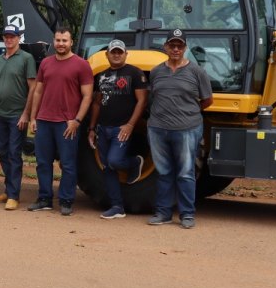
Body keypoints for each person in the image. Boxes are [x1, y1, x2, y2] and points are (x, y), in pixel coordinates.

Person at [147, 28, 213, 229]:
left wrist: (188, 113)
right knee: (163, 172)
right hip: (158, 128)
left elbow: (207, 100)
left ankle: (187, 214)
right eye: (172, 45)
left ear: (185, 48)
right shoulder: (156, 71)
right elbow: (153, 97)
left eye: (180, 45)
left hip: (187, 129)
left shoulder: (196, 72)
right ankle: (163, 213)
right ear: (166, 47)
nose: (175, 49)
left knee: (185, 173)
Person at [27, 28, 93, 215]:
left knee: (68, 163)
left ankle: (66, 200)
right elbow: (38, 91)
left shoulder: (81, 65)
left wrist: (77, 121)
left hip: (67, 123)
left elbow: (87, 96)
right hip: (44, 121)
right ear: (53, 41)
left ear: (71, 42)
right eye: (58, 40)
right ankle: (45, 198)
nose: (61, 44)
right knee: (42, 162)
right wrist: (33, 117)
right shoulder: (46, 63)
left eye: (65, 40)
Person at [87, 39, 148, 219]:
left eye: (119, 52)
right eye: (113, 52)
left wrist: (130, 125)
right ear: (107, 54)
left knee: (114, 161)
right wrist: (91, 128)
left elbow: (142, 101)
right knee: (107, 167)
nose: (116, 55)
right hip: (102, 128)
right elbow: (97, 103)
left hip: (121, 129)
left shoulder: (135, 73)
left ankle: (134, 163)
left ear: (125, 54)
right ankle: (117, 206)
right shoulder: (101, 76)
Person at [0, 24, 37, 210]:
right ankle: (8, 190)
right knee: (4, 153)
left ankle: (14, 195)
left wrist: (26, 113)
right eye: (6, 36)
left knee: (15, 154)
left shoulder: (26, 58)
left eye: (12, 36)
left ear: (18, 38)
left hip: (17, 115)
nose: (9, 40)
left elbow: (33, 87)